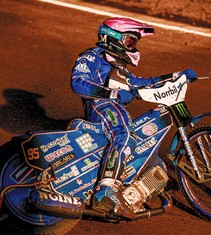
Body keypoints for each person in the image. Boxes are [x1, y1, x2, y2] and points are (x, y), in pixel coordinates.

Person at [70, 17, 196, 219]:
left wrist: (175, 76)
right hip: (101, 106)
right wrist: (113, 94)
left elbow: (141, 84)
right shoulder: (93, 56)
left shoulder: (120, 68)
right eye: (130, 41)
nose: (133, 46)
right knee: (125, 135)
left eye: (134, 43)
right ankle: (105, 191)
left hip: (116, 108)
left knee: (149, 154)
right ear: (113, 38)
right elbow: (78, 83)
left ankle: (130, 194)